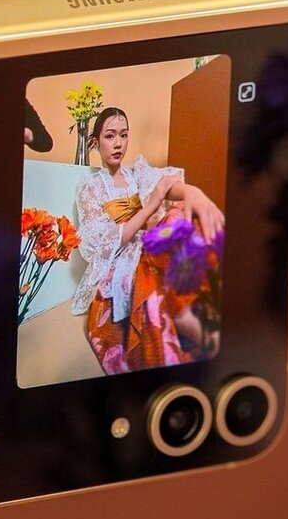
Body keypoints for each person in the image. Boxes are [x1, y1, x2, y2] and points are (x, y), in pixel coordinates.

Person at [72, 106, 224, 374]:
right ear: (96, 141)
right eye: (110, 136)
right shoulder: (90, 186)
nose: (118, 143)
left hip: (146, 244)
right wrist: (150, 205)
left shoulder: (136, 173)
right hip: (118, 259)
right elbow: (103, 244)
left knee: (177, 218)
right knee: (156, 271)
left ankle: (202, 316)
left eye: (123, 135)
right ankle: (192, 326)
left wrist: (192, 192)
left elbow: (166, 185)